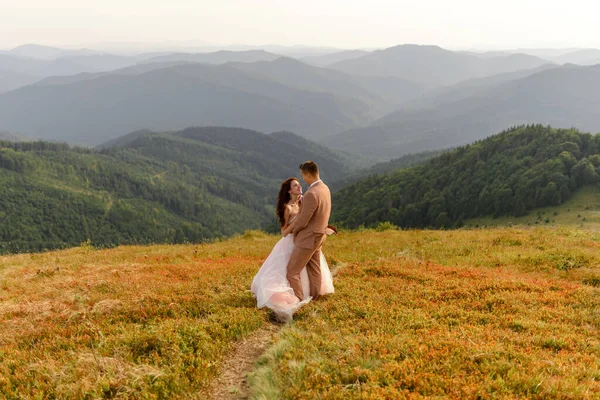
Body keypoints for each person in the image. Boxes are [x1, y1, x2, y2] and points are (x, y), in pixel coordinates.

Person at [251, 176, 334, 322]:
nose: (299, 187)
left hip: (303, 240)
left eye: (299, 185)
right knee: (288, 271)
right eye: (295, 186)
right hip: (290, 241)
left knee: (308, 268)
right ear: (289, 191)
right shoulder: (287, 207)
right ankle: (297, 298)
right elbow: (284, 231)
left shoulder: (302, 201)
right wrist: (296, 224)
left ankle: (310, 295)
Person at [287, 161, 332, 301]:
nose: (303, 179)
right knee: (314, 268)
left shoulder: (311, 193)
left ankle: (298, 301)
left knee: (292, 272)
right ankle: (315, 298)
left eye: (303, 176)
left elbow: (303, 221)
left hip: (308, 238)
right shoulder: (325, 188)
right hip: (320, 235)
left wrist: (292, 231)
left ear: (308, 174)